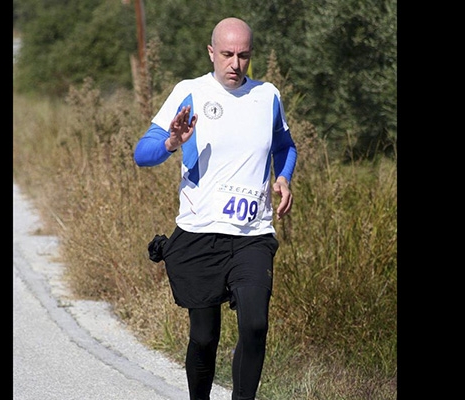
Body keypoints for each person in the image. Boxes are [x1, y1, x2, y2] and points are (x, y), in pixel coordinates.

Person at [134, 17, 297, 400]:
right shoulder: (189, 92)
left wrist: (283, 177)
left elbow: (285, 146)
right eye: (226, 54)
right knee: (204, 337)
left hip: (252, 234)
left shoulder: (267, 96)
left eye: (243, 55)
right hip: (200, 231)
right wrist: (172, 142)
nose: (235, 64)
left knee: (255, 325)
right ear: (211, 52)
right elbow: (142, 154)